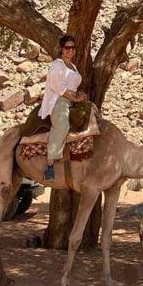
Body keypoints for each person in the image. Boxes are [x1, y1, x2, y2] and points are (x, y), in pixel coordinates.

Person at [40, 34, 88, 181]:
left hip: (73, 99)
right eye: (67, 47)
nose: (70, 50)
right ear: (62, 49)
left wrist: (79, 96)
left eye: (73, 48)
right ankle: (50, 163)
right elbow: (57, 86)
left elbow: (72, 85)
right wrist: (74, 97)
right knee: (62, 126)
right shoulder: (57, 65)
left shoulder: (72, 66)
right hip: (59, 99)